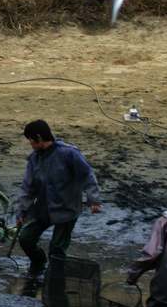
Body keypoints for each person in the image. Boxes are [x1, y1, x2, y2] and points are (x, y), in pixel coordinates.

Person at [15, 120, 102, 282]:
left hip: (67, 209)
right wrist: (21, 211)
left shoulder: (69, 154)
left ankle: (55, 278)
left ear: (39, 138)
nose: (30, 144)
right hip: (43, 209)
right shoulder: (34, 159)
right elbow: (28, 188)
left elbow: (87, 175)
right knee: (26, 238)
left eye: (31, 140)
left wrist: (93, 200)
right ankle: (39, 264)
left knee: (56, 249)